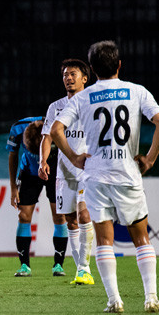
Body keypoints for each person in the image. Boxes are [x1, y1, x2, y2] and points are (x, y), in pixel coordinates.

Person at [51, 40, 159, 313]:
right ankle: (151, 298)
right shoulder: (136, 91)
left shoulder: (82, 97)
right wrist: (149, 159)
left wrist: (73, 157)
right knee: (141, 238)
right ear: (118, 65)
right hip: (128, 174)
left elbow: (57, 130)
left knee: (104, 239)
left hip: (96, 176)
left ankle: (114, 300)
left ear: (91, 69)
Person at [40, 59, 95, 285]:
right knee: (70, 220)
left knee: (84, 215)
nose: (68, 78)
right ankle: (80, 270)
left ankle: (84, 267)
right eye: (65, 75)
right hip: (64, 170)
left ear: (85, 78)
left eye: (73, 74)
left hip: (89, 168)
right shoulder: (56, 106)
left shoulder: (94, 103)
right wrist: (43, 160)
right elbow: (48, 136)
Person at [7, 117, 68, 277]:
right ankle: (24, 266)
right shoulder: (18, 128)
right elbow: (12, 155)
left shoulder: (57, 128)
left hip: (55, 173)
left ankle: (58, 265)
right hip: (28, 174)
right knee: (24, 215)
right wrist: (13, 187)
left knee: (60, 216)